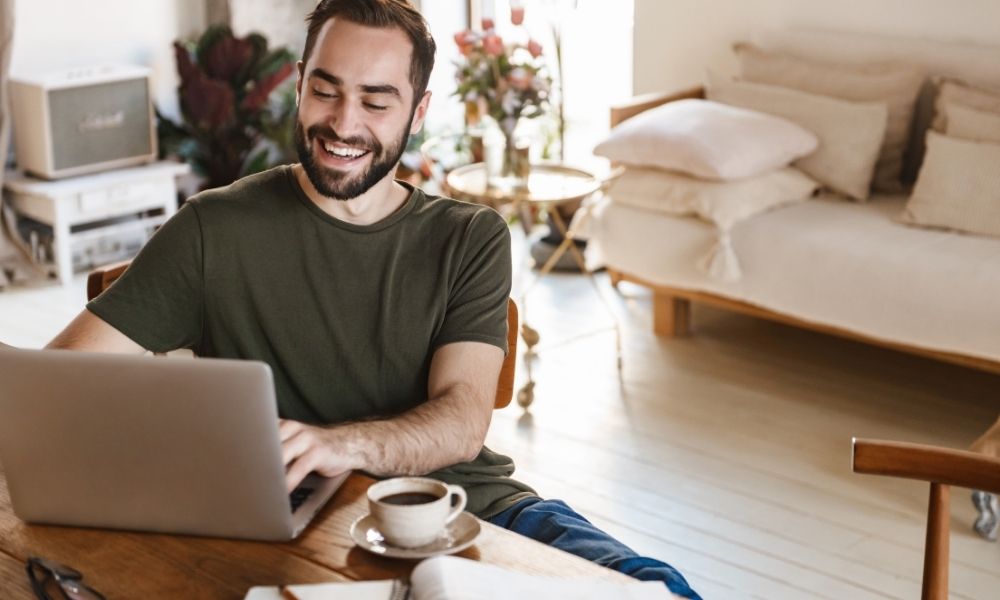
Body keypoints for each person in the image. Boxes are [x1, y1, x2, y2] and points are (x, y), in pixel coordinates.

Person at [45, 1, 699, 597]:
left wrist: (342, 446)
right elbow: (58, 385)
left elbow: (462, 420)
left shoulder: (469, 237)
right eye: (325, 90)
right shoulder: (213, 228)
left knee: (656, 588)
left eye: (376, 101)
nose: (343, 123)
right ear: (300, 84)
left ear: (418, 111)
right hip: (297, 531)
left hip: (473, 511)